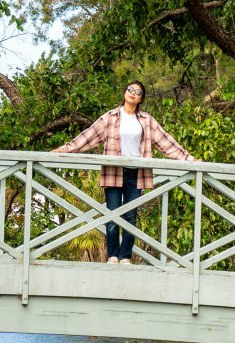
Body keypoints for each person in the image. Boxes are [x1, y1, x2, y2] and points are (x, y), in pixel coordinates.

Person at [52, 81, 193, 265]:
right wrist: (64, 150)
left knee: (130, 217)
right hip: (113, 172)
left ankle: (125, 256)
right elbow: (88, 137)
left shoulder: (146, 120)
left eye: (138, 92)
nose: (133, 93)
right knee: (112, 215)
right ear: (125, 92)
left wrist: (188, 159)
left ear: (141, 98)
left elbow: (166, 142)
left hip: (136, 175)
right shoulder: (109, 117)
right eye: (130, 89)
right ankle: (112, 256)